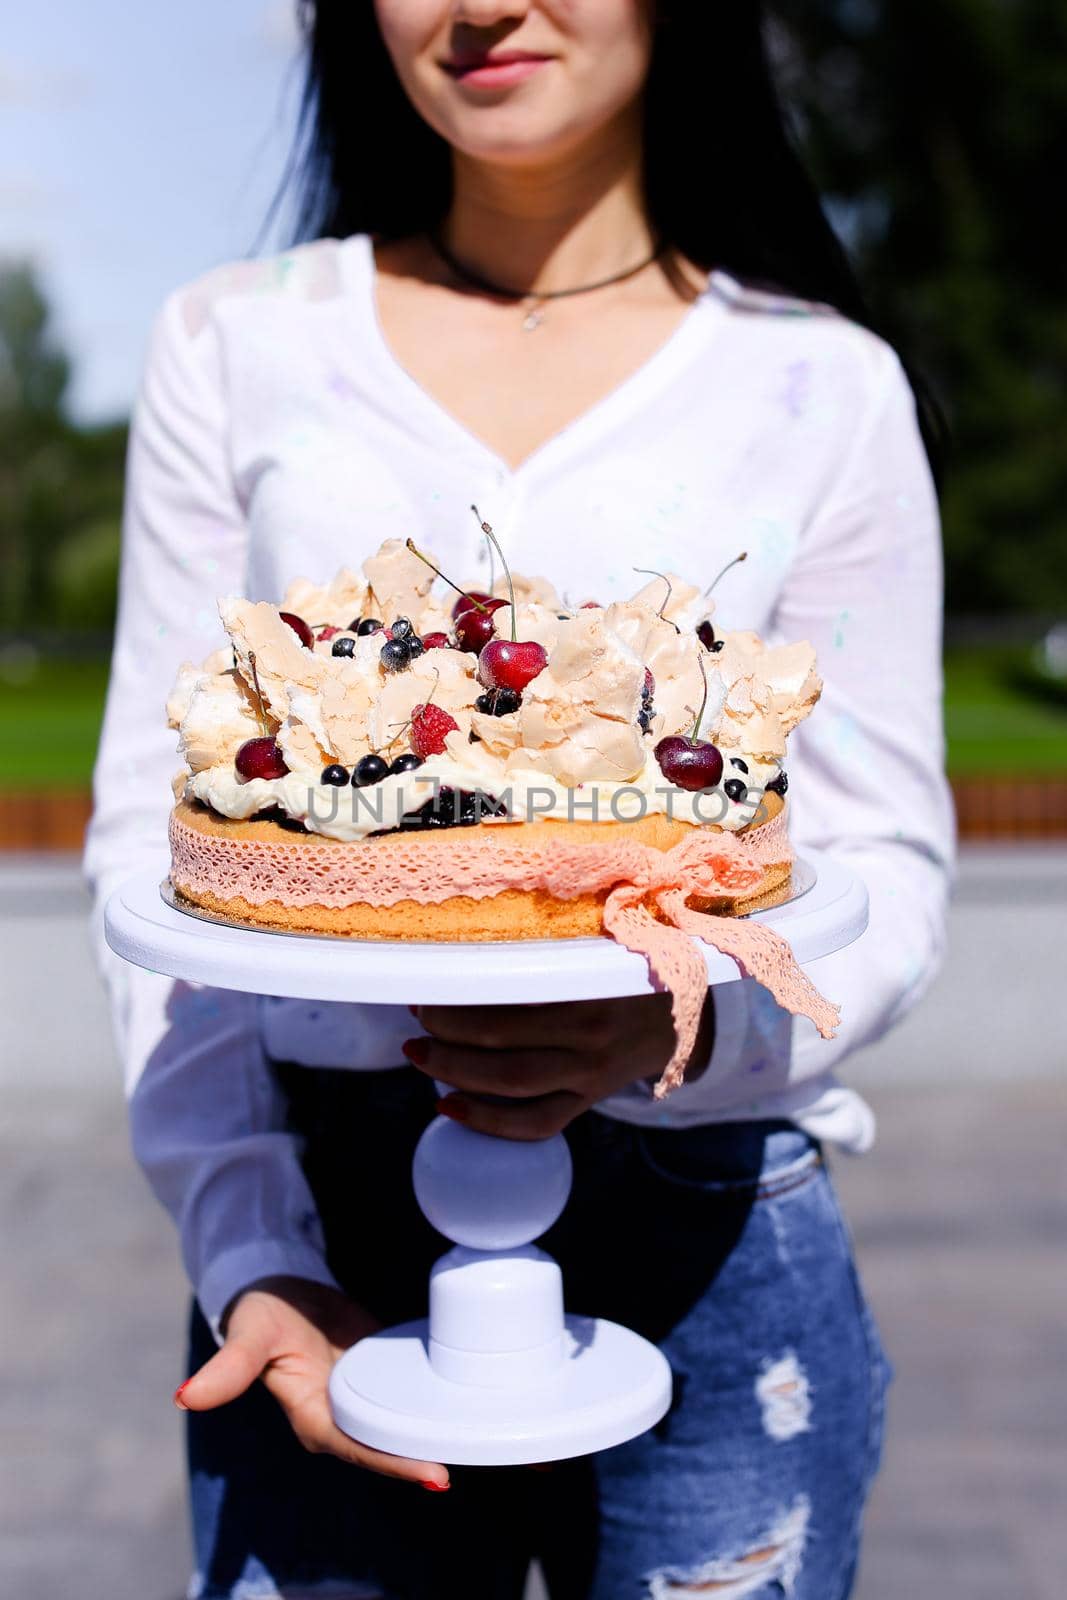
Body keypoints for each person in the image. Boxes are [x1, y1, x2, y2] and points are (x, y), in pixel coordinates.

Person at [84, 2, 955, 1596]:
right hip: (325, 1223)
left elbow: (886, 862)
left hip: (718, 1225)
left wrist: (676, 1022)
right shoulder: (239, 338)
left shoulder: (823, 385)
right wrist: (250, 1247)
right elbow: (170, 843)